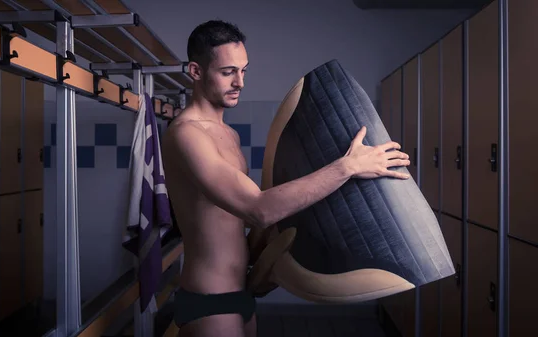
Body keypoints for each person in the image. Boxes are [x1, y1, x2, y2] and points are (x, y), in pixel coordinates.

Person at [161, 20, 411, 337]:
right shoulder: (187, 135)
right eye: (228, 72)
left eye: (244, 70)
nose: (239, 82)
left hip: (243, 291)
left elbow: (236, 222)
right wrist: (347, 167)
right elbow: (258, 208)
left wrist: (272, 261)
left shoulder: (228, 134)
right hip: (209, 297)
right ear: (196, 72)